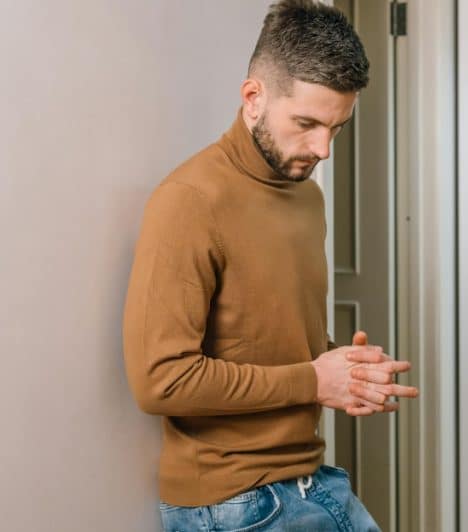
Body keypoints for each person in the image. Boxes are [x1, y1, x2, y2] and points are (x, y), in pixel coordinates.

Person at [122, 1, 418, 530]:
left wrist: (341, 370)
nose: (323, 149)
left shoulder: (307, 198)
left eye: (337, 127)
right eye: (306, 123)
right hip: (234, 505)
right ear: (254, 98)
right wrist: (313, 381)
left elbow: (267, 339)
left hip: (312, 482)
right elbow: (160, 382)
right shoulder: (190, 201)